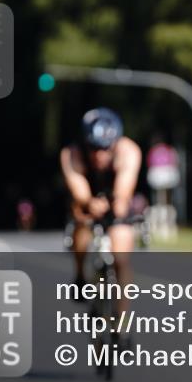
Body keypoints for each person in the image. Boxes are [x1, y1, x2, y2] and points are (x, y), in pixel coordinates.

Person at [61, 107, 142, 314]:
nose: (99, 154)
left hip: (116, 200)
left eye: (105, 148)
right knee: (80, 220)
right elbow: (78, 188)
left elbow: (124, 191)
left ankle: (121, 322)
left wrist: (117, 206)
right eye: (94, 148)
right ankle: (80, 276)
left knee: (121, 252)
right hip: (87, 200)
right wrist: (89, 203)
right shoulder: (72, 153)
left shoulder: (129, 151)